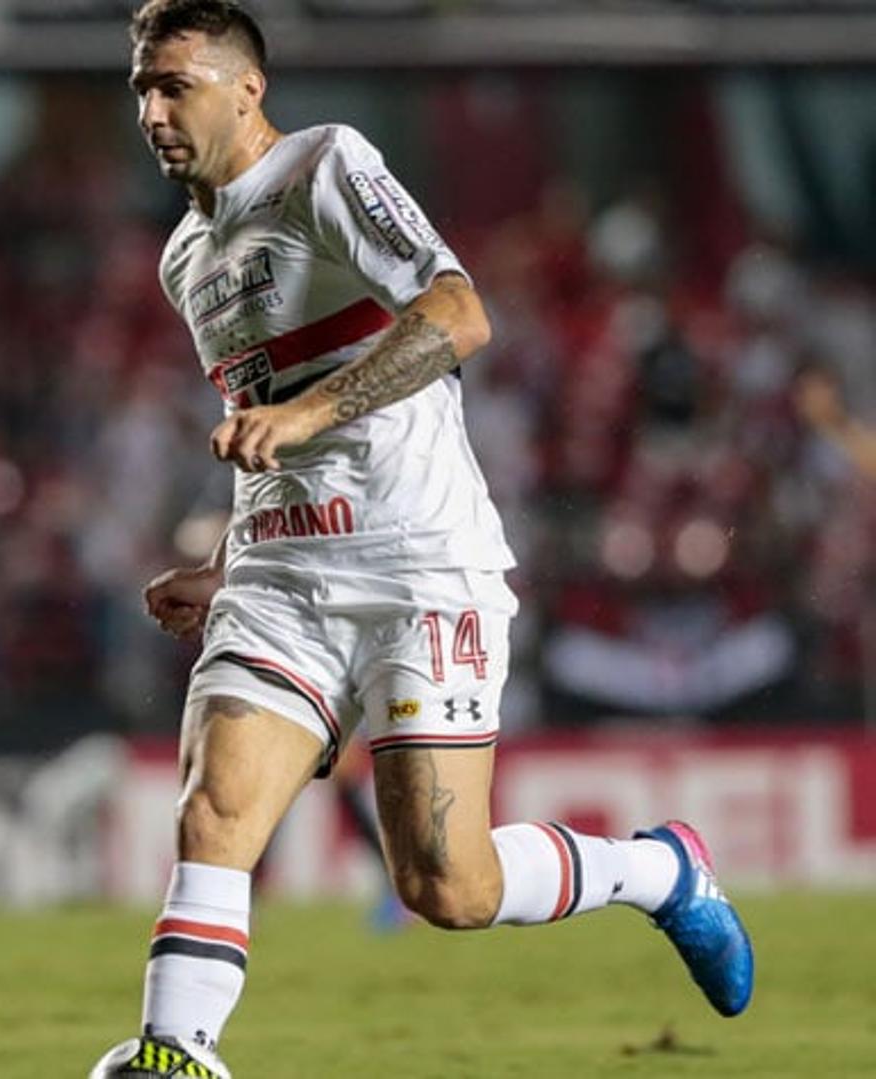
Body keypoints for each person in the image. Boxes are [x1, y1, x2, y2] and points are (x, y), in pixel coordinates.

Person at [91, 5, 753, 1077]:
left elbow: (456, 315)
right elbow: (276, 412)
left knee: (447, 886)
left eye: (174, 84)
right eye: (139, 90)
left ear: (246, 87)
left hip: (419, 566)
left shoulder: (324, 168)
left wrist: (308, 415)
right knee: (214, 814)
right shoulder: (186, 255)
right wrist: (226, 565)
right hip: (281, 578)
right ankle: (177, 1048)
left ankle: (660, 871)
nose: (152, 111)